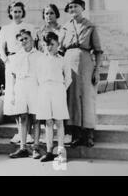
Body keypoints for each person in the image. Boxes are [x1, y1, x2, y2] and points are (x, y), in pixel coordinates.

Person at [60, 0, 103, 148]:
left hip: (85, 64)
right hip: (68, 64)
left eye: (75, 6)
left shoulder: (90, 26)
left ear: (82, 8)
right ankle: (75, 134)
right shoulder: (65, 27)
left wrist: (97, 70)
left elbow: (98, 51)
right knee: (71, 99)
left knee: (86, 98)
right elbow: (60, 49)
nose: (72, 10)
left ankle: (88, 134)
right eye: (70, 7)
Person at [0, 2, 37, 144]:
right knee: (14, 98)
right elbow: (1, 48)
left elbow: (35, 45)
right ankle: (20, 132)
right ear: (10, 13)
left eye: (19, 11)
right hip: (12, 62)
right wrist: (7, 61)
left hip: (27, 61)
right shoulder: (5, 29)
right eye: (14, 11)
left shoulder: (30, 27)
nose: (16, 14)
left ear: (23, 12)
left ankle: (30, 133)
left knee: (28, 97)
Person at [35, 4, 71, 145]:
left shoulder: (62, 30)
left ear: (56, 14)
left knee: (59, 114)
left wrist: (61, 87)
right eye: (46, 14)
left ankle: (63, 138)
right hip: (45, 66)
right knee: (47, 116)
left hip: (59, 68)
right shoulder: (40, 31)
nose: (48, 16)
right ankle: (49, 144)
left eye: (51, 13)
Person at [37, 32, 72, 163]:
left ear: (58, 44)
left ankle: (61, 152)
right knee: (48, 122)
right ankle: (49, 151)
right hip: (44, 90)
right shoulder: (41, 60)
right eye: (47, 44)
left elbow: (68, 78)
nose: (49, 47)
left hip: (58, 90)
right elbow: (38, 77)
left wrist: (61, 89)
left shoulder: (62, 60)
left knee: (59, 121)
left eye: (52, 44)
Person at [8, 30, 43, 159]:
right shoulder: (17, 56)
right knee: (23, 117)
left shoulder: (39, 55)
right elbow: (13, 76)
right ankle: (23, 147)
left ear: (32, 39)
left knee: (36, 118)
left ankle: (36, 148)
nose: (24, 41)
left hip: (35, 87)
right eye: (21, 39)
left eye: (26, 38)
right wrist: (12, 94)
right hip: (21, 88)